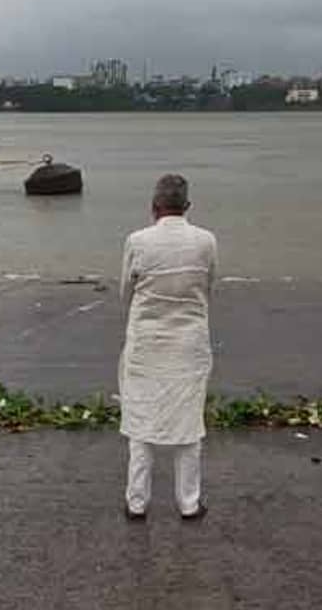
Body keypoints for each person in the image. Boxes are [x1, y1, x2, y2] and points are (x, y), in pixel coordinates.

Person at [119, 174, 218, 521]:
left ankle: (137, 502)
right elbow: (209, 286)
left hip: (146, 343)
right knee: (188, 424)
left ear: (153, 208)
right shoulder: (206, 241)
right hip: (190, 343)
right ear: (187, 207)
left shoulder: (137, 241)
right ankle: (189, 503)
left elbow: (125, 293)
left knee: (140, 422)